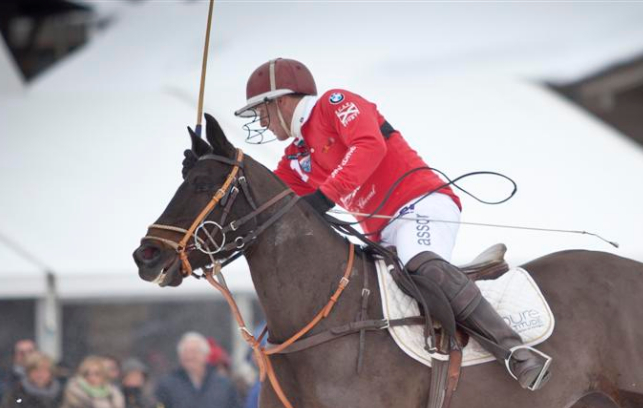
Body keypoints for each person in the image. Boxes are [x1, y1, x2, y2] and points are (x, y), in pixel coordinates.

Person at [210, 57, 551, 390]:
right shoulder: (296, 157)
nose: (262, 121)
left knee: (421, 265)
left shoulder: (334, 103)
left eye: (262, 110)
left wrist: (325, 196)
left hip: (421, 205)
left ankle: (515, 352)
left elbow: (368, 146)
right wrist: (215, 171)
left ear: (282, 100)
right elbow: (267, 202)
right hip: (382, 232)